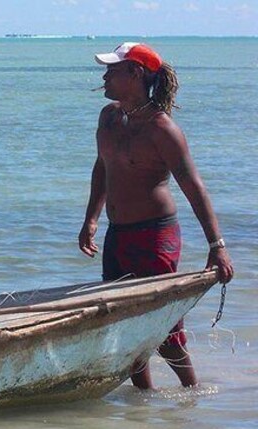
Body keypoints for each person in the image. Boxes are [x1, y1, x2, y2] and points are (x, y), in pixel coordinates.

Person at [79, 42, 234, 390]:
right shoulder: (109, 117)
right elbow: (102, 167)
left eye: (112, 70)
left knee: (161, 325)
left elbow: (195, 189)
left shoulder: (162, 131)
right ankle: (144, 399)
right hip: (117, 233)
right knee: (123, 321)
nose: (104, 76)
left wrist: (217, 245)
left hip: (154, 236)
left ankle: (192, 392)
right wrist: (92, 218)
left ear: (135, 73)